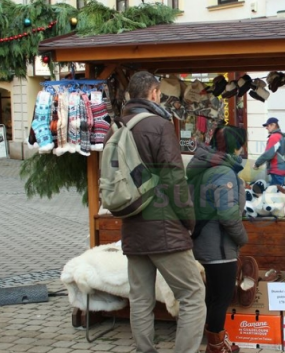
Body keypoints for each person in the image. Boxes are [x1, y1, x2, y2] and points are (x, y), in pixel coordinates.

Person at [106, 71, 206, 353]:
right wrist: (189, 219)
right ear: (153, 94)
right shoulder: (159, 125)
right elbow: (175, 178)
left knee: (139, 298)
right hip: (164, 226)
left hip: (132, 226)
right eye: (159, 93)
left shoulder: (116, 128)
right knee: (192, 294)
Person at [186, 125, 248, 353]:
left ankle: (218, 341)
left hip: (202, 240)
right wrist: (242, 238)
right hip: (219, 246)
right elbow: (228, 215)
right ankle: (215, 347)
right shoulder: (223, 171)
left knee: (211, 296)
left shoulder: (201, 165)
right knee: (221, 298)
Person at [253, 117, 285, 187]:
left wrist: (257, 163)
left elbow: (268, 154)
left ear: (274, 125)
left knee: (276, 194)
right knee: (276, 192)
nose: (266, 127)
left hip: (277, 170)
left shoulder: (275, 137)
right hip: (281, 169)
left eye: (268, 125)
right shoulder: (281, 136)